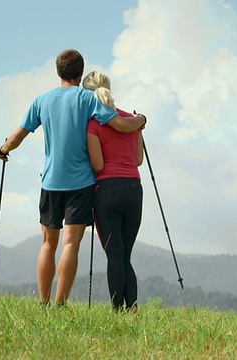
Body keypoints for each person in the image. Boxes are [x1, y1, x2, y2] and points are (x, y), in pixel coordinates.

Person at [0, 50, 147, 306]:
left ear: (58, 72)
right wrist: (141, 120)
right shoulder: (88, 99)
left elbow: (18, 136)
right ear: (80, 72)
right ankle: (60, 304)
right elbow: (121, 126)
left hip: (51, 182)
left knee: (47, 243)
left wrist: (3, 150)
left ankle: (43, 303)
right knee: (71, 244)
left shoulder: (41, 100)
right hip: (82, 184)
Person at [82, 70, 144, 313]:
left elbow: (97, 165)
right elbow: (138, 159)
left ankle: (118, 311)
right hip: (133, 189)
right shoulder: (133, 120)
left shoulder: (92, 124)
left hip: (107, 191)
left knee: (114, 254)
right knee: (126, 254)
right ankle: (133, 308)